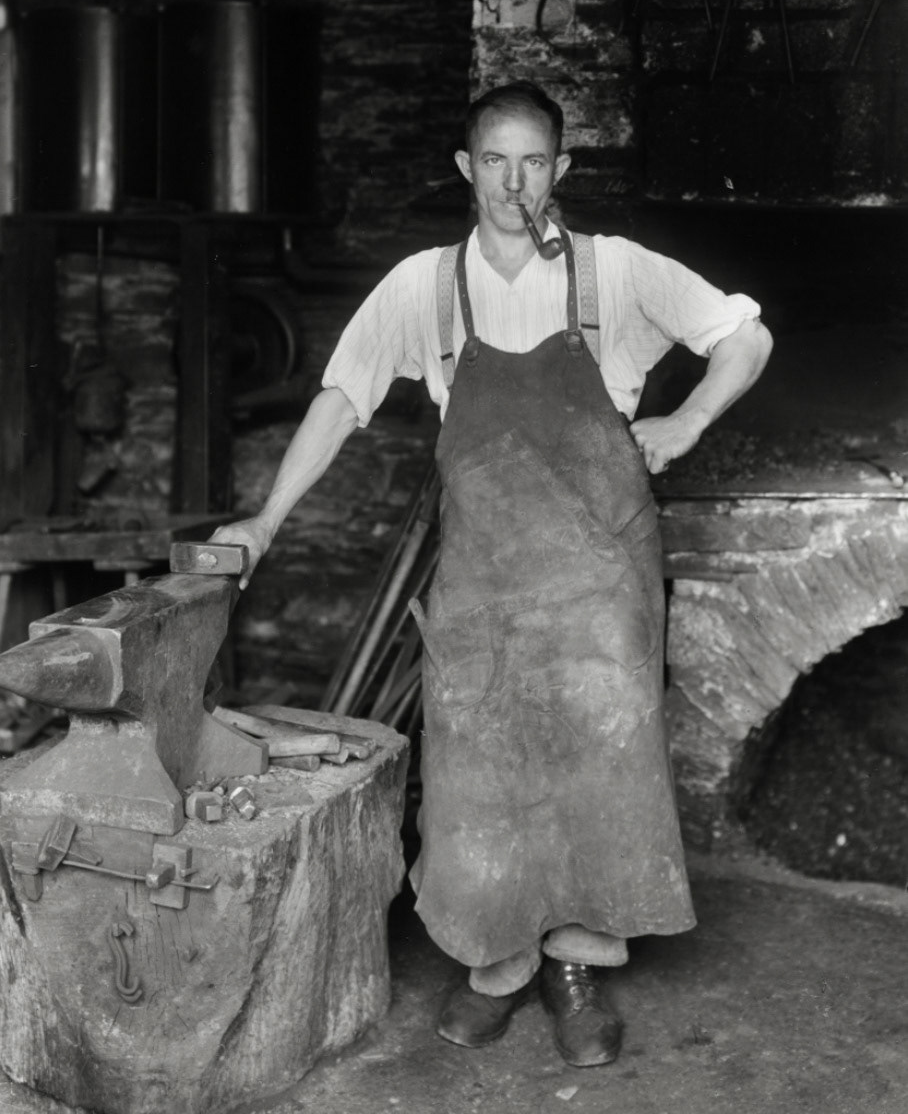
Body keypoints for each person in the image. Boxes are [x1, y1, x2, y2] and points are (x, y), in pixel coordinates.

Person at [210, 81, 772, 1068]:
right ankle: (496, 965)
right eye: (495, 161)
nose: (515, 182)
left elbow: (745, 337)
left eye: (534, 161)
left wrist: (685, 420)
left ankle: (574, 966)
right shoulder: (421, 288)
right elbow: (341, 399)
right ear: (467, 169)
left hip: (600, 583)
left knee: (602, 768)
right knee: (475, 771)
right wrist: (263, 520)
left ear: (559, 169)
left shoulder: (615, 275)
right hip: (482, 580)